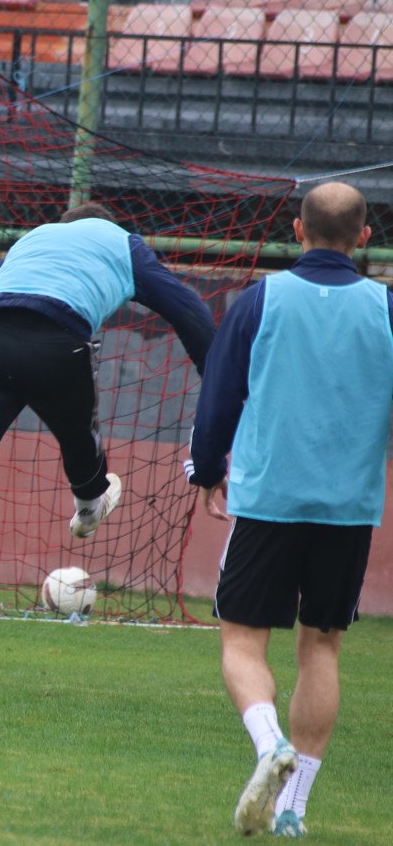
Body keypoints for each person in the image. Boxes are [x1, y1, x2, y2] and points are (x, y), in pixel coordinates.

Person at [0, 202, 215, 682]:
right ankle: (90, 501)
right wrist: (214, 373)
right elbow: (189, 310)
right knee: (79, 437)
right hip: (60, 343)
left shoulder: (31, 241)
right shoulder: (124, 244)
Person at [186, 181, 387, 838]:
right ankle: (293, 807)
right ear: (363, 238)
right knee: (321, 646)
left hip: (269, 498)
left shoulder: (260, 298)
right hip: (347, 506)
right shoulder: (384, 308)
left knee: (242, 639)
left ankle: (269, 741)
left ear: (295, 231)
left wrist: (209, 470)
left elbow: (219, 393)